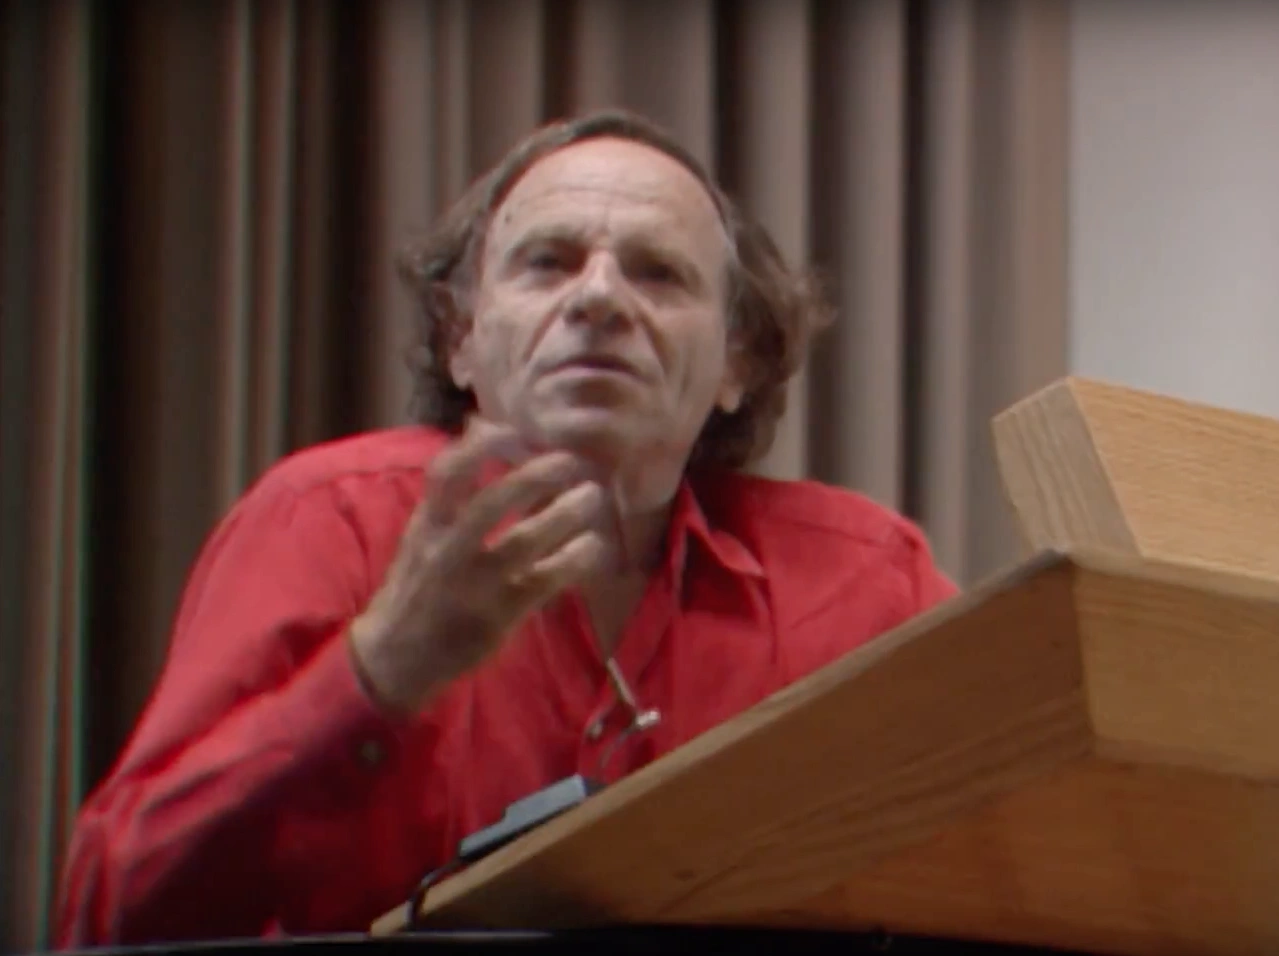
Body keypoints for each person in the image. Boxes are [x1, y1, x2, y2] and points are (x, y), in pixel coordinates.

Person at [53, 109, 959, 946]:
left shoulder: (866, 580)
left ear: (737, 362)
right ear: (463, 340)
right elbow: (107, 910)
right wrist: (378, 673)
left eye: (657, 272)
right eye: (547, 262)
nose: (598, 298)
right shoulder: (328, 521)